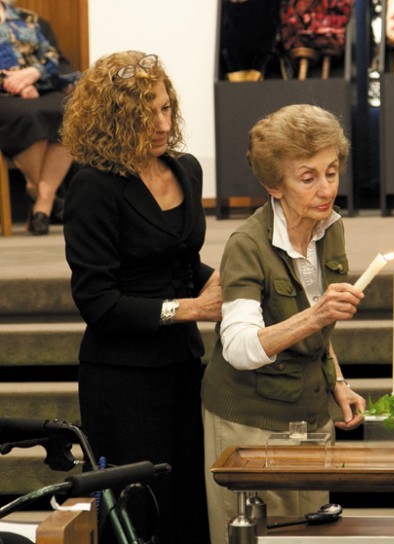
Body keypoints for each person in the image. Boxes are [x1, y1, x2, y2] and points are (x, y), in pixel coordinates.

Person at [61, 51, 221, 544]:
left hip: (184, 365)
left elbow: (180, 262)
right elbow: (98, 301)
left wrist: (239, 284)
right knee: (138, 514)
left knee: (190, 503)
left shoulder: (186, 170)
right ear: (112, 118)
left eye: (166, 108)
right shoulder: (92, 187)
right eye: (145, 112)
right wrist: (190, 309)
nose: (160, 123)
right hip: (123, 379)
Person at [201, 104, 366, 543]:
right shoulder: (246, 245)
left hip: (310, 417)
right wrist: (316, 314)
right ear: (273, 184)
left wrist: (337, 382)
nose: (325, 188)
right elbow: (238, 347)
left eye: (331, 172)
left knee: (312, 533)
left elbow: (319, 333)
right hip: (250, 422)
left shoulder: (330, 227)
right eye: (307, 177)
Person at [0, 1, 74, 235]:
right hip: (5, 96)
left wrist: (33, 74)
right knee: (29, 115)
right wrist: (12, 84)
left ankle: (40, 195)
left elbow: (51, 57)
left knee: (70, 112)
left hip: (38, 87)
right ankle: (47, 198)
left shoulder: (28, 18)